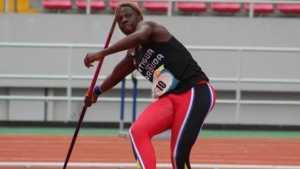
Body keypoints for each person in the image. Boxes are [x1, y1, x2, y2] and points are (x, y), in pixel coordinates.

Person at [83, 2, 216, 169]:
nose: (124, 20)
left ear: (139, 17)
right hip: (170, 99)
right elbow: (117, 74)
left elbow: (140, 36)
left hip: (195, 91)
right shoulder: (133, 53)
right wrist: (96, 92)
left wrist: (101, 53)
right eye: (120, 19)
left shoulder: (149, 27)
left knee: (178, 156)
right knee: (137, 131)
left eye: (128, 15)